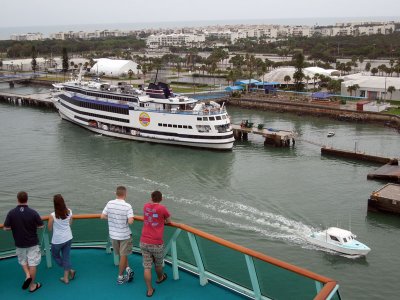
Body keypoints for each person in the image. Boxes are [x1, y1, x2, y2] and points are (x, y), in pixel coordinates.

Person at [3, 191, 44, 293]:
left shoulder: (11, 213)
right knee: (32, 263)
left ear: (18, 199)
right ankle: (32, 286)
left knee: (23, 261)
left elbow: (5, 228)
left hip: (19, 243)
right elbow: (41, 226)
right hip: (32, 243)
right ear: (27, 199)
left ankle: (27, 275)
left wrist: (14, 227)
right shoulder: (33, 212)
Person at [140, 191, 171, 297]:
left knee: (147, 267)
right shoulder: (162, 208)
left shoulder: (145, 206)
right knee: (158, 264)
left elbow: (148, 216)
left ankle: (149, 290)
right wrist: (162, 221)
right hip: (156, 243)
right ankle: (160, 278)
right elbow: (168, 221)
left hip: (144, 241)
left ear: (151, 198)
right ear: (161, 199)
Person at [101, 186, 134, 284]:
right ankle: (120, 277)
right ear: (125, 194)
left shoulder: (110, 203)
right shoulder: (128, 206)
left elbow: (102, 216)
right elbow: (130, 221)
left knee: (121, 254)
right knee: (123, 255)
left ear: (116, 193)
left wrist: (112, 219)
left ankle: (128, 269)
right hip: (124, 235)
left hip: (113, 235)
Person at [47, 194, 76, 284]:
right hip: (68, 237)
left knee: (55, 256)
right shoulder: (69, 211)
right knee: (66, 257)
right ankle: (67, 275)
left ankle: (69, 272)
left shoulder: (52, 215)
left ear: (55, 204)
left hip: (58, 240)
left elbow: (49, 228)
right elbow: (70, 222)